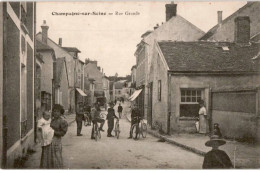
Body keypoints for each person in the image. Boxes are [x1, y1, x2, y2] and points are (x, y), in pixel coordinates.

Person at [50, 104, 68, 169]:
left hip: (57, 141)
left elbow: (63, 132)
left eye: (57, 111)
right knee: (51, 157)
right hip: (50, 141)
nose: (55, 113)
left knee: (57, 157)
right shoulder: (52, 120)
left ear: (60, 112)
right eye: (54, 111)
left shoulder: (62, 121)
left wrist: (53, 132)